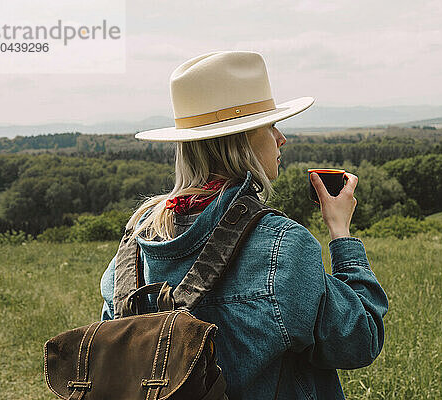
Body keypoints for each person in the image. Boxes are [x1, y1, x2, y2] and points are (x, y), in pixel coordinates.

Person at [100, 51, 388, 399]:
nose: (281, 138)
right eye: (270, 126)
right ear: (242, 141)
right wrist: (341, 234)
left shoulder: (132, 249)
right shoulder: (283, 247)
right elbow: (360, 340)